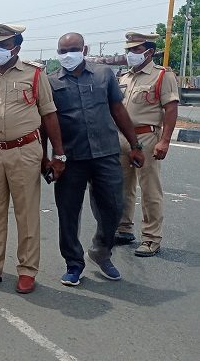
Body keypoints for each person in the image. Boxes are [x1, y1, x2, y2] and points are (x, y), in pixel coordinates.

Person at [0, 23, 66, 294]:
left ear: (16, 47)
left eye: (2, 45)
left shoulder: (34, 74)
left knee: (27, 214)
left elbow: (49, 115)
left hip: (25, 151)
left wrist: (58, 154)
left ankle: (27, 271)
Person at [47, 32, 146, 286]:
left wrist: (135, 145)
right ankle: (73, 263)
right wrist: (49, 158)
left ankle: (101, 251)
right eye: (62, 51)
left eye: (73, 49)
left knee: (113, 207)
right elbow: (46, 122)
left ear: (85, 49)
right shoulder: (50, 82)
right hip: (71, 158)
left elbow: (118, 109)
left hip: (106, 153)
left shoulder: (104, 74)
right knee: (68, 212)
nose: (67, 55)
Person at [115, 32, 179, 257]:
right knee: (122, 186)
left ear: (149, 52)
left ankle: (151, 238)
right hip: (122, 138)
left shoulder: (162, 76)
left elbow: (171, 108)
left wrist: (165, 141)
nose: (130, 54)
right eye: (129, 50)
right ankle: (123, 229)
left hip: (147, 138)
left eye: (135, 50)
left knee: (150, 190)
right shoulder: (124, 77)